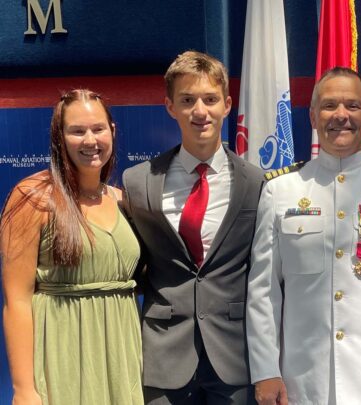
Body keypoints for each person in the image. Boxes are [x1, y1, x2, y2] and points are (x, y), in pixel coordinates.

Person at [246, 67, 361, 405]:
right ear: (313, 117)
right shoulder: (281, 191)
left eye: (353, 106)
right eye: (329, 106)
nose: (341, 115)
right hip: (304, 383)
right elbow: (264, 290)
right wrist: (265, 370)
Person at [122, 50, 263, 405]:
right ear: (170, 106)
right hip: (163, 352)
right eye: (187, 100)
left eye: (210, 99)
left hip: (234, 357)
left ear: (227, 105)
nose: (200, 111)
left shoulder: (256, 182)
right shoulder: (138, 181)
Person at [1, 89, 143, 405]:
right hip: (62, 358)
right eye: (77, 131)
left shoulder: (122, 201)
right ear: (60, 138)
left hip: (121, 356)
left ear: (112, 131)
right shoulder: (33, 197)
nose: (90, 140)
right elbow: (17, 301)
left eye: (98, 128)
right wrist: (23, 389)